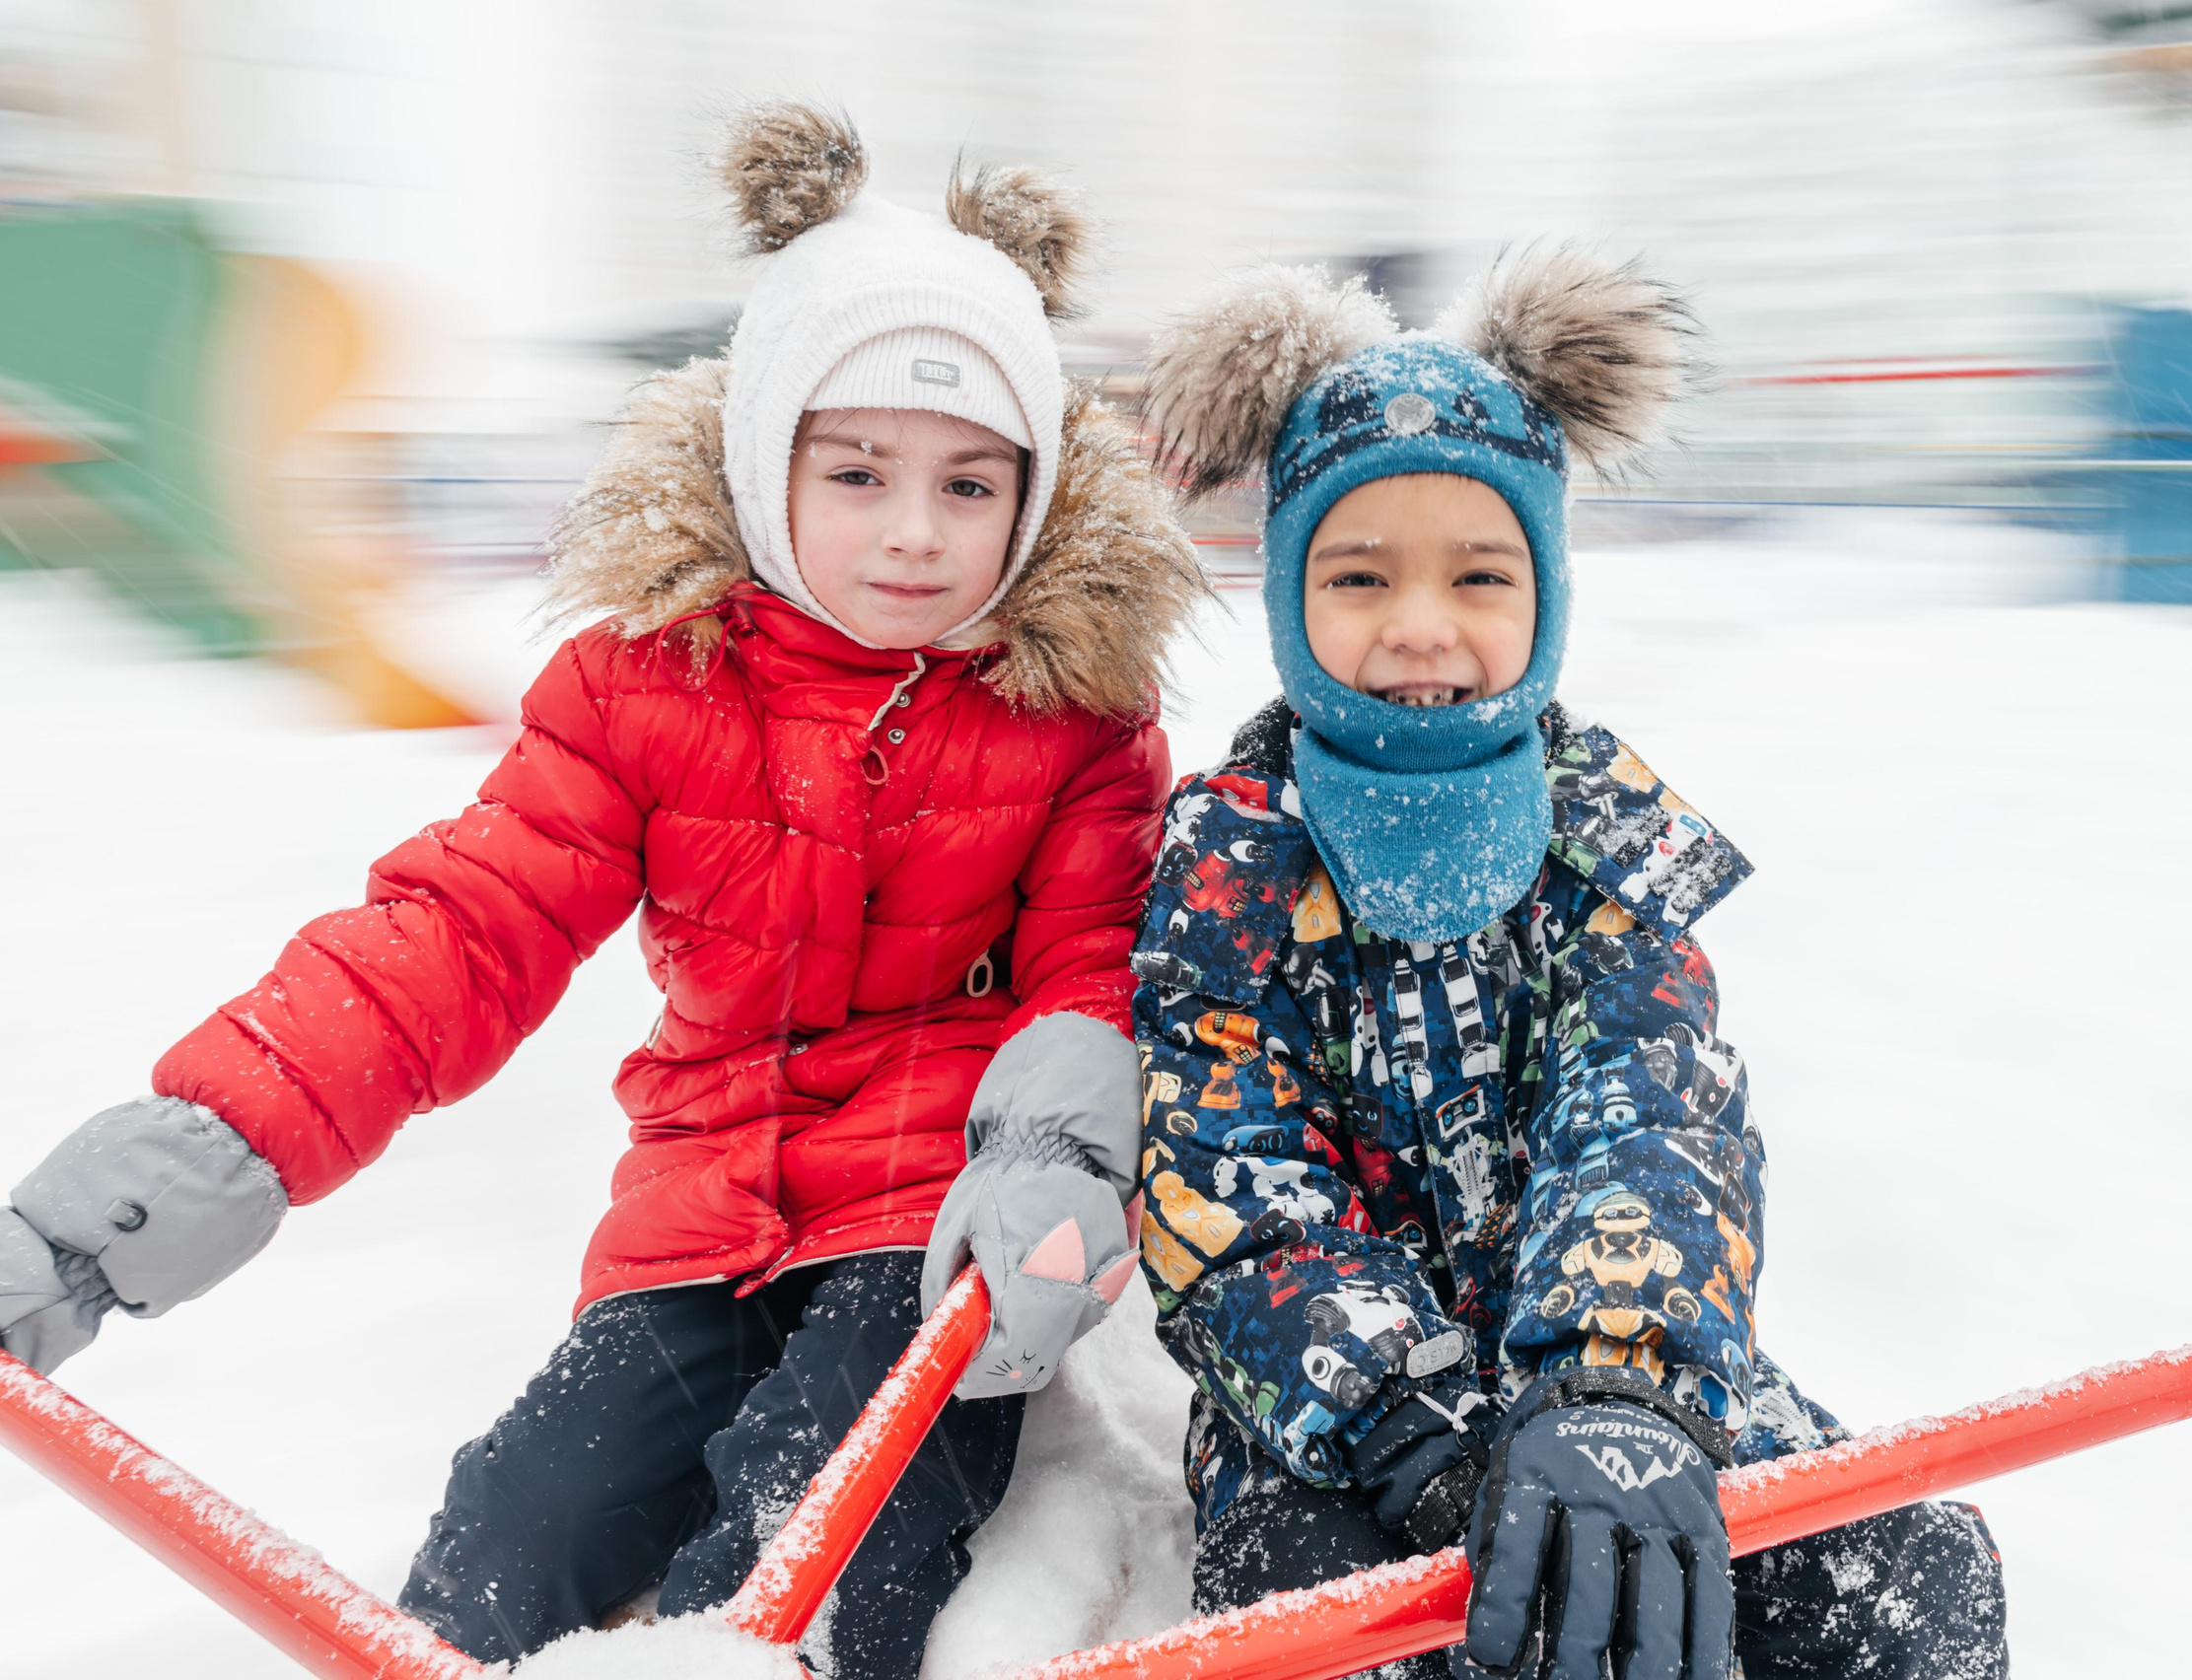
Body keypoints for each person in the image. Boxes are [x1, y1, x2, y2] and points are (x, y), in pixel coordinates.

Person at [0, 103, 1203, 1676]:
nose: (914, 534)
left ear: (1032, 501)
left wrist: (1052, 1154)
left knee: (812, 1548)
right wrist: (141, 1199)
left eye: (971, 487)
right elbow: (452, 933)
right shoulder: (644, 688)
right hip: (696, 1230)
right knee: (505, 1540)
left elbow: (1086, 970)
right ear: (767, 467)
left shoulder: (1073, 722)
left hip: (930, 1232)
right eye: (856, 473)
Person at [1129, 252, 2009, 1680]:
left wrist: (1617, 1387)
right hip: (1344, 1421)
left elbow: (1655, 1108)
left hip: (1615, 1364)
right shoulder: (1234, 866)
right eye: (1360, 577)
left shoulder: (1599, 836)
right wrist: (1414, 1434)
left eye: (1480, 574)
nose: (1422, 626)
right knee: (1323, 1632)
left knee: (1904, 1576)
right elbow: (1225, 1187)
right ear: (1293, 595)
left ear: (1547, 592)